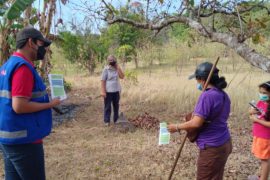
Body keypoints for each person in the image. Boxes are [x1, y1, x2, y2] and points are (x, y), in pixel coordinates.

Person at [0, 27, 61, 180]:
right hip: (25, 141)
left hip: (9, 139)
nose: (44, 49)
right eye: (41, 44)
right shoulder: (23, 68)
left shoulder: (7, 66)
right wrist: (50, 104)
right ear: (31, 43)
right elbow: (19, 106)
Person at [168, 62, 232, 180]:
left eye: (197, 79)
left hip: (212, 148)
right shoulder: (223, 94)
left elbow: (196, 123)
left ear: (202, 79)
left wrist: (176, 127)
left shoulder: (207, 96)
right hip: (225, 143)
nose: (196, 82)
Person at [249, 81, 270, 180]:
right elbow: (252, 113)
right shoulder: (261, 102)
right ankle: (261, 176)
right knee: (262, 158)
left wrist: (257, 120)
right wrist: (252, 111)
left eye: (265, 93)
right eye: (260, 92)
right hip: (259, 135)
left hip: (266, 137)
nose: (262, 95)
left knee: (265, 160)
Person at [101, 55, 124, 126]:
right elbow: (103, 81)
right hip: (108, 91)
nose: (112, 62)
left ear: (115, 61)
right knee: (107, 106)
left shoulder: (117, 68)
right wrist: (103, 91)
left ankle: (116, 119)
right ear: (108, 61)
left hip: (116, 90)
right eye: (110, 60)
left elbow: (122, 76)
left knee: (116, 106)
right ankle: (106, 121)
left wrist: (118, 68)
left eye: (113, 60)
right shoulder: (106, 69)